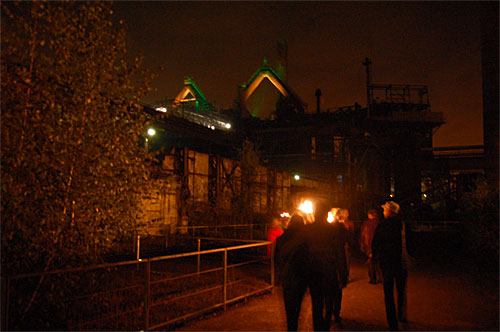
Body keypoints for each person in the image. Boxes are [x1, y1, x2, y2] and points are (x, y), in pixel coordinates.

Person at [304, 200, 345, 331]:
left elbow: (304, 252)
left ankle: (318, 327)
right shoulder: (333, 230)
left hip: (314, 270)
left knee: (316, 301)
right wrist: (342, 273)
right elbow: (339, 251)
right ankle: (325, 326)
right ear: (327, 213)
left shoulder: (308, 229)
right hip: (329, 269)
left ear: (315, 212)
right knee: (329, 300)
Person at [371, 201, 408, 331]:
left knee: (388, 293)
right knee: (401, 290)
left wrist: (374, 256)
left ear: (389, 212)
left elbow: (376, 243)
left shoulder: (383, 225)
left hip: (387, 263)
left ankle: (392, 322)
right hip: (401, 263)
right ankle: (402, 315)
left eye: (385, 210)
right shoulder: (403, 225)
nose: (383, 212)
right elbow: (410, 243)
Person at [275, 214, 307, 331]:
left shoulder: (280, 239)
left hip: (286, 276)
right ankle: (294, 325)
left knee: (288, 304)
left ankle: (291, 327)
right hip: (300, 276)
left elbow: (276, 259)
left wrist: (279, 275)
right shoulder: (304, 239)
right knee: (298, 304)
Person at [360, 208, 381, 284]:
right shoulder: (379, 223)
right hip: (378, 245)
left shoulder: (367, 223)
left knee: (371, 262)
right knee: (377, 261)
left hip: (369, 244)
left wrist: (362, 244)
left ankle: (373, 278)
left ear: (370, 215)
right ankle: (380, 277)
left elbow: (363, 234)